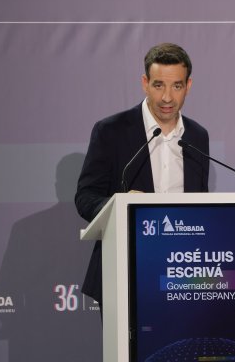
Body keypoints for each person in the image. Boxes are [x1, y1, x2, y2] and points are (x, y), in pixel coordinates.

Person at [75, 43, 210, 305]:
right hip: (124, 269)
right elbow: (86, 197)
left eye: (177, 86)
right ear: (145, 83)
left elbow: (199, 202)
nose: (167, 97)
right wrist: (120, 205)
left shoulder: (197, 136)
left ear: (188, 86)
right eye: (159, 85)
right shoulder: (111, 131)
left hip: (182, 274)